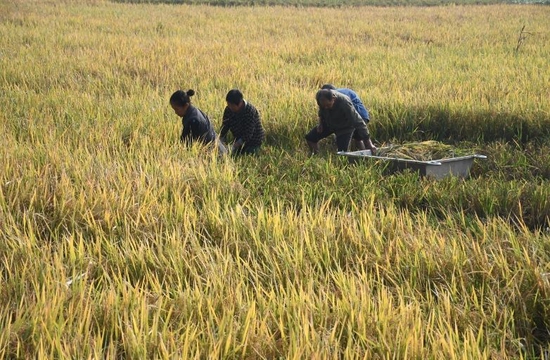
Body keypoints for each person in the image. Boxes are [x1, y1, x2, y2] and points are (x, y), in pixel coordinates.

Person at [305, 88, 377, 155]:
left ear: (334, 98)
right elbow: (321, 111)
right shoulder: (322, 99)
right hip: (330, 122)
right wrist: (320, 124)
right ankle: (316, 156)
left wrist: (369, 143)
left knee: (342, 153)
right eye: (324, 106)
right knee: (310, 138)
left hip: (344, 126)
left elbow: (358, 121)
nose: (326, 107)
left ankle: (361, 158)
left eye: (328, 105)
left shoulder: (344, 102)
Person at [169, 89, 227, 154]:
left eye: (176, 109)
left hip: (215, 152)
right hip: (217, 145)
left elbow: (188, 144)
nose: (175, 112)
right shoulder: (193, 111)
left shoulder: (193, 120)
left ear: (186, 105)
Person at [219, 89, 265, 156]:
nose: (229, 107)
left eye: (231, 105)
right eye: (228, 104)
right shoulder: (228, 109)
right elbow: (225, 126)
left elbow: (247, 134)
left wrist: (233, 147)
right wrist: (221, 140)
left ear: (239, 103)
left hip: (253, 141)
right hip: (238, 139)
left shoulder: (250, 111)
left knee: (247, 154)